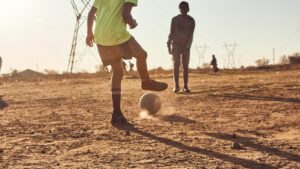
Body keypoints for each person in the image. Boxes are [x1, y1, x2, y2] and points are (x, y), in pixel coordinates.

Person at [86, 0, 168, 126]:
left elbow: (91, 13)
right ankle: (145, 81)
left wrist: (89, 32)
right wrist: (132, 23)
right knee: (141, 54)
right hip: (116, 34)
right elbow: (126, 14)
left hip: (101, 37)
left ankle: (116, 112)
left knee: (117, 72)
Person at [167, 1, 195, 93]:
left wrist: (188, 46)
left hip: (186, 46)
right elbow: (171, 32)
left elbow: (191, 35)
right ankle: (176, 86)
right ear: (179, 9)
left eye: (185, 8)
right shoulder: (174, 19)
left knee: (185, 66)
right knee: (176, 64)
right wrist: (168, 44)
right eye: (181, 8)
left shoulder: (191, 21)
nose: (183, 9)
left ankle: (185, 86)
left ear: (188, 9)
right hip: (175, 45)